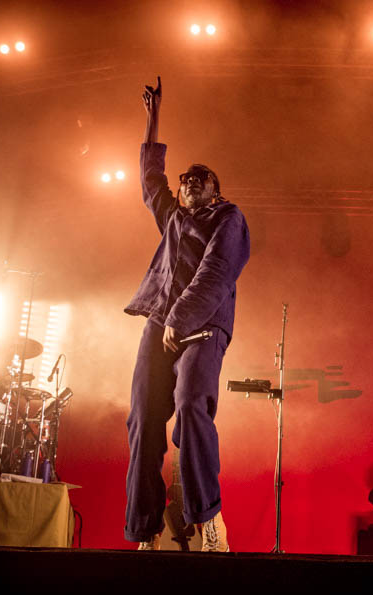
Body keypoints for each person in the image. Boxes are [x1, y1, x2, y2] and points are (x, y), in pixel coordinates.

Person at [124, 78, 250, 551]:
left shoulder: (229, 218)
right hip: (161, 322)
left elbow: (217, 273)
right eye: (185, 179)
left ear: (216, 192)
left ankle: (208, 519)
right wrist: (153, 119)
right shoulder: (172, 217)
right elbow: (151, 181)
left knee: (192, 408)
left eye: (201, 178)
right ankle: (144, 530)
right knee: (141, 416)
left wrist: (181, 317)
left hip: (202, 327)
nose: (189, 181)